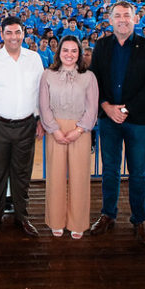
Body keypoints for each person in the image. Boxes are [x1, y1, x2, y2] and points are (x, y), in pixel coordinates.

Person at [88, 1, 145, 246]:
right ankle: (108, 215)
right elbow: (94, 80)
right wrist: (107, 106)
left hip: (138, 120)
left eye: (126, 15)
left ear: (135, 19)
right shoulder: (101, 45)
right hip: (109, 118)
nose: (122, 19)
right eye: (117, 15)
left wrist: (126, 109)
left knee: (138, 173)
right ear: (110, 20)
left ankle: (139, 219)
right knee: (110, 171)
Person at [0, 16, 44, 237]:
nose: (14, 37)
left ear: (24, 33)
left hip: (26, 125)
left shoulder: (34, 59)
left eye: (17, 32)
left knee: (22, 174)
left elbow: (40, 93)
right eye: (9, 33)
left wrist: (40, 119)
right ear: (1, 34)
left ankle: (21, 217)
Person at [38, 35, 98, 239]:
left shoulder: (89, 77)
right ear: (59, 52)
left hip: (80, 130)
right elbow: (43, 106)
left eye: (74, 51)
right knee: (55, 176)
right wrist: (54, 129)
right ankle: (56, 220)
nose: (69, 54)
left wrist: (79, 130)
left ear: (79, 54)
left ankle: (77, 222)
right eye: (66, 50)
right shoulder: (47, 75)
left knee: (80, 177)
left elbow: (92, 108)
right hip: (54, 128)